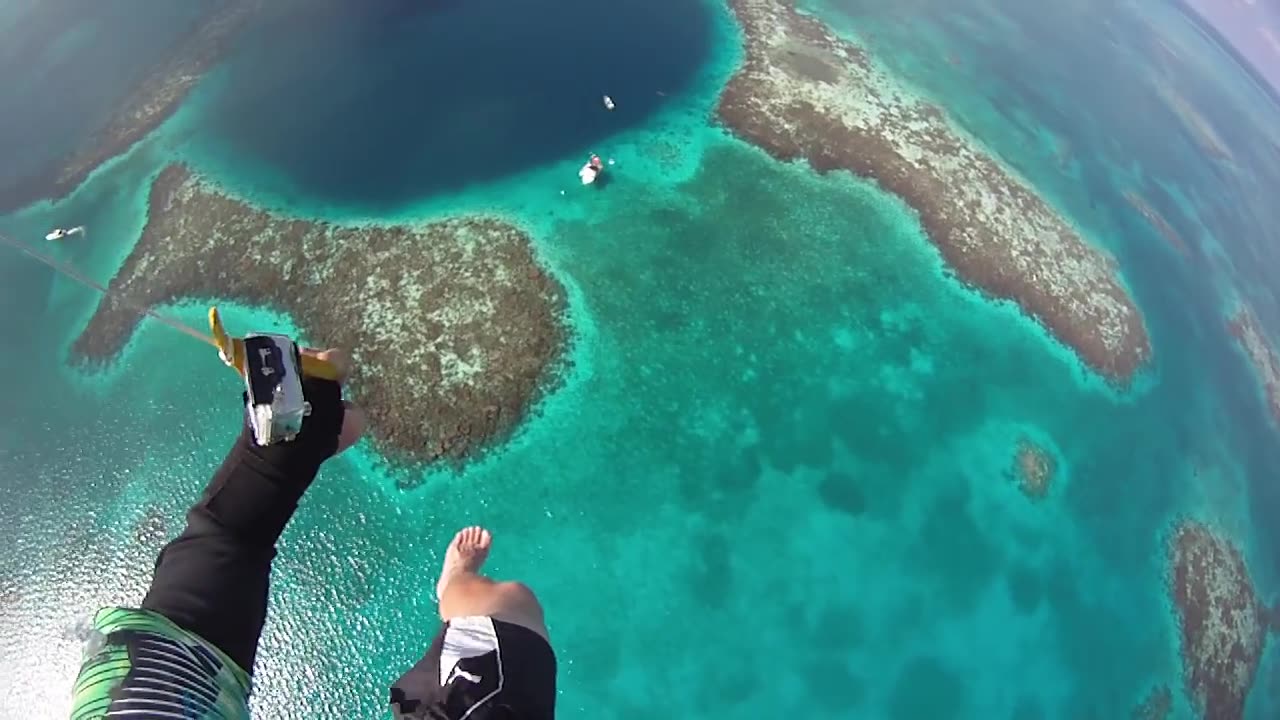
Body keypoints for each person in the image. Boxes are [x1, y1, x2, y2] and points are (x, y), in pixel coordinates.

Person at [65, 345, 557, 718]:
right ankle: (303, 431)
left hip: (156, 677)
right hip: (148, 681)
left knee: (510, 618)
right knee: (510, 611)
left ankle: (302, 429)